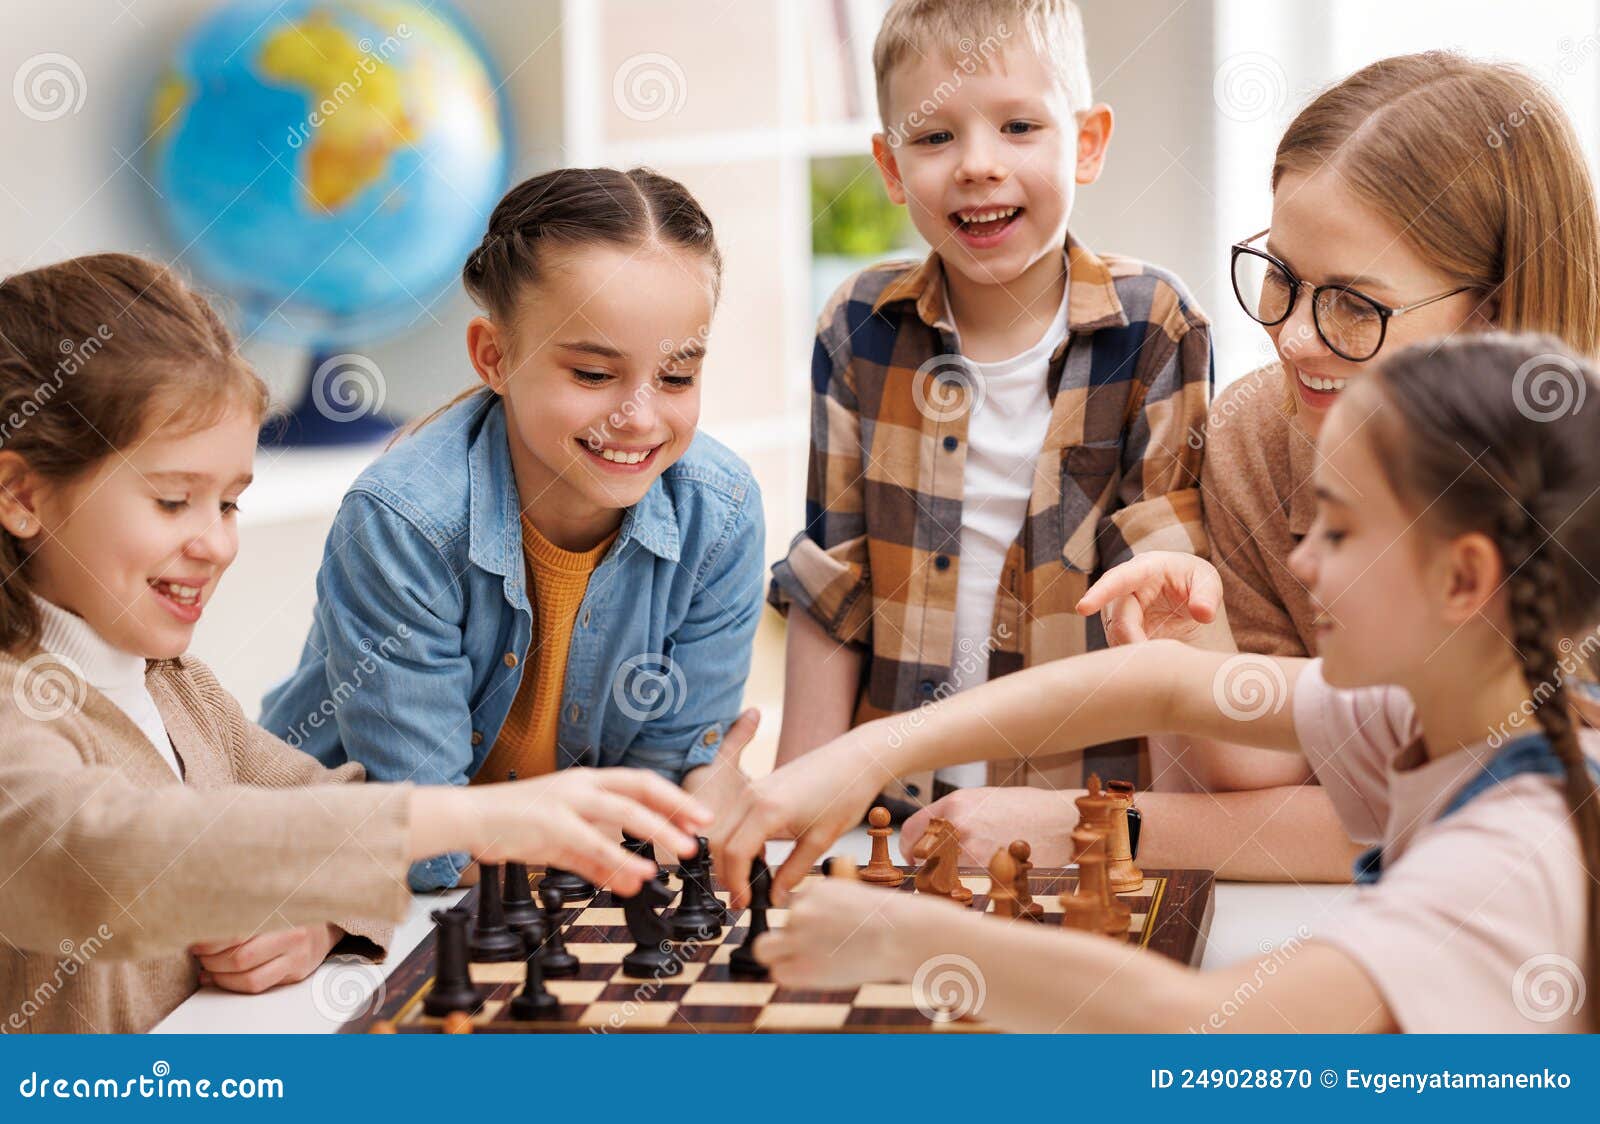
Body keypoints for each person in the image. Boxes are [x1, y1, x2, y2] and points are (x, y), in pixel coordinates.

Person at [730, 334, 1600, 1032]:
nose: (1301, 561)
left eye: (1338, 532)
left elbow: (1196, 1028)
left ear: (1462, 579)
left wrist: (905, 938)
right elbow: (1165, 684)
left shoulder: (1505, 860)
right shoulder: (1439, 711)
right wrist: (873, 749)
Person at [905, 50, 1600, 881]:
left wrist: (1099, 831)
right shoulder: (1260, 429)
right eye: (1281, 278)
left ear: (1493, 313)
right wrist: (1195, 653)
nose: (1294, 338)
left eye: (1354, 304)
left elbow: (1500, 807)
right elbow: (1256, 773)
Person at [0, 254, 710, 1033]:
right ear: (21, 495)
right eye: (173, 501)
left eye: (230, 503)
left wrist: (325, 920)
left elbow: (334, 815)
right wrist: (479, 819)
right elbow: (93, 857)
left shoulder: (177, 689)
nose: (216, 544)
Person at [261, 168, 765, 891]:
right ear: (494, 356)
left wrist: (684, 804)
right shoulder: (402, 520)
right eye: (593, 374)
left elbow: (667, 804)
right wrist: (662, 818)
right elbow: (428, 846)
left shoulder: (721, 514)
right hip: (329, 890)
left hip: (529, 894)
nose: (641, 417)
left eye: (678, 376)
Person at [768, 0, 1210, 804]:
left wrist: (1173, 847)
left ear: (1088, 142)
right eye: (936, 136)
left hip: (1085, 819)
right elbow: (831, 590)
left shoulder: (1157, 327)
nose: (977, 164)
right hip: (896, 816)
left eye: (1018, 127)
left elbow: (1167, 607)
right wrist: (792, 814)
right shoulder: (858, 328)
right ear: (893, 167)